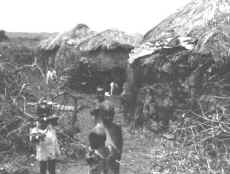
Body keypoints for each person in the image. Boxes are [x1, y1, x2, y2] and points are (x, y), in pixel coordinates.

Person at [30, 101, 60, 174]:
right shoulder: (35, 130)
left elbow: (55, 141)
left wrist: (57, 151)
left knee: (52, 170)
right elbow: (32, 140)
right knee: (42, 170)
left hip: (51, 153)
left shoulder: (51, 129)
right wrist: (38, 137)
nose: (43, 123)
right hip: (42, 153)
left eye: (45, 122)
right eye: (41, 122)